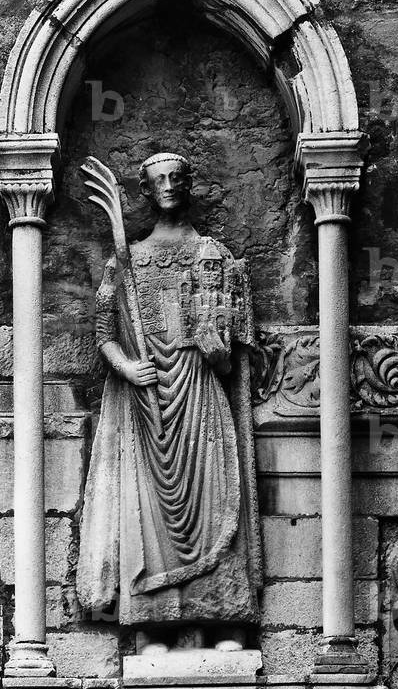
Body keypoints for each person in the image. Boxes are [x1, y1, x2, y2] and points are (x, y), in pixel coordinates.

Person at [76, 152, 262, 653]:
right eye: (159, 179)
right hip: (145, 396)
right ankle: (155, 623)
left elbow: (235, 355)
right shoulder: (127, 259)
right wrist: (126, 367)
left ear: (190, 184)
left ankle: (221, 619)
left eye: (178, 177)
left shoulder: (215, 256)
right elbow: (104, 332)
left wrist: (216, 350)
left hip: (199, 390)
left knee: (212, 492)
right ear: (146, 189)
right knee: (146, 502)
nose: (169, 186)